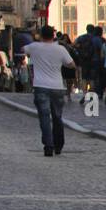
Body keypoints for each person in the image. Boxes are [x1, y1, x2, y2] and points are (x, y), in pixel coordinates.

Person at [26, 24, 75, 156]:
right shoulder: (60, 49)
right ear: (53, 36)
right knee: (57, 117)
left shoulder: (35, 47)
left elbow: (24, 49)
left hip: (41, 86)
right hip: (57, 87)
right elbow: (71, 64)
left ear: (41, 35)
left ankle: (48, 146)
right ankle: (58, 146)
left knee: (44, 117)